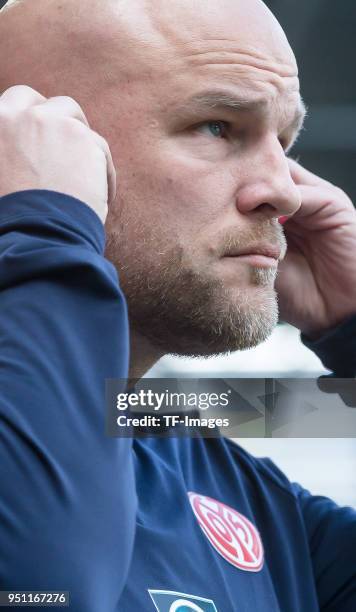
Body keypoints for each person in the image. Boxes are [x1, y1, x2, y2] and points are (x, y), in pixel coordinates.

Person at [0, 0, 355, 610]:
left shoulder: (174, 436)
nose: (286, 191)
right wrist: (43, 230)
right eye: (218, 126)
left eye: (285, 141)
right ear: (30, 144)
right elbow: (46, 591)